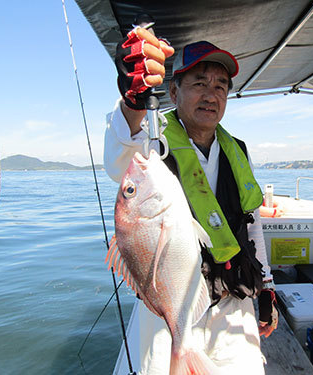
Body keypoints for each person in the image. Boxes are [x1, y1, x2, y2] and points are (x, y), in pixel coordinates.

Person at [104, 26, 278, 374]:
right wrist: (134, 101)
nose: (211, 95)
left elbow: (251, 221)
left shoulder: (237, 150)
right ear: (173, 90)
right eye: (199, 83)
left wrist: (267, 287)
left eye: (220, 86)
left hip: (235, 300)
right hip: (170, 307)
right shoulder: (151, 142)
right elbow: (119, 150)